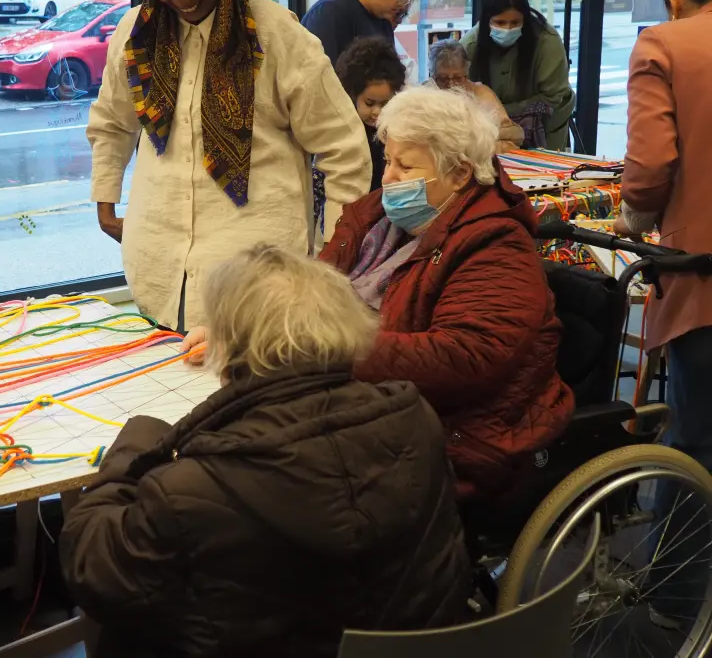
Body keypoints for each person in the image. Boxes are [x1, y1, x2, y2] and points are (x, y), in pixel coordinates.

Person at [61, 245, 472, 658]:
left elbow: (92, 568)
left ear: (228, 349)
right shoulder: (415, 418)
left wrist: (140, 440)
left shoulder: (192, 488)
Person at [180, 88, 574, 501]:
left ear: (460, 174)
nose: (387, 178)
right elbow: (307, 296)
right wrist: (240, 331)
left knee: (236, 483)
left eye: (406, 166)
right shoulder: (373, 218)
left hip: (453, 437)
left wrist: (323, 349)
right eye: (388, 160)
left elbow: (464, 357)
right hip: (364, 407)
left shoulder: (497, 247)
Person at [88, 0, 371, 333]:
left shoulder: (277, 34)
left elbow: (344, 149)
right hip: (157, 263)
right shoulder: (135, 34)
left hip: (255, 273)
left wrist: (335, 247)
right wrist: (105, 201)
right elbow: (112, 121)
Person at [613, 0, 712, 628]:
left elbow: (650, 167)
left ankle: (673, 604)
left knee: (696, 442)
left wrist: (634, 219)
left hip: (703, 275)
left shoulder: (666, 44)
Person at [461, 0, 575, 151]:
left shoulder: (546, 41)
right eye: (500, 22)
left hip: (545, 124)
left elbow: (553, 98)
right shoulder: (469, 45)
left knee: (538, 165)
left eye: (515, 22)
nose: (508, 28)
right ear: (487, 21)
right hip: (487, 127)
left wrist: (499, 113)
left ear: (525, 20)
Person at [313, 36, 405, 235]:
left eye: (385, 103)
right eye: (369, 103)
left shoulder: (396, 133)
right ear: (352, 95)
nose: (377, 112)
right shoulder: (340, 132)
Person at [429, 39, 524, 153]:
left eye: (457, 78)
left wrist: (474, 146)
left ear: (466, 73)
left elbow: (514, 137)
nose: (451, 84)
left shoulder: (481, 94)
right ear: (432, 76)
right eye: (443, 79)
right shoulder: (423, 98)